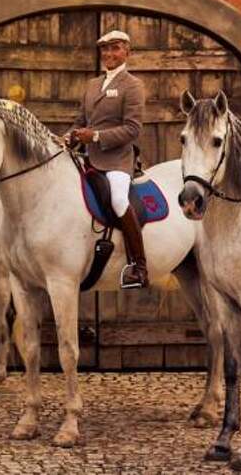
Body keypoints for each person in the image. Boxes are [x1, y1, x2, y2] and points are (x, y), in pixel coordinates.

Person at [65, 29, 147, 289]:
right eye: (105, 49)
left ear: (127, 52)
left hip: (117, 160)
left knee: (119, 199)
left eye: (115, 48)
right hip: (88, 159)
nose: (109, 54)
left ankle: (138, 267)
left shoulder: (132, 85)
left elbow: (132, 129)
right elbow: (81, 121)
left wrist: (96, 136)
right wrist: (68, 137)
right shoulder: (92, 85)